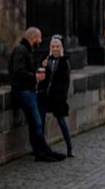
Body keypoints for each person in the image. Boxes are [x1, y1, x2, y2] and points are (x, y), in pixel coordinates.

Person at [8, 27, 65, 162]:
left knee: (35, 123)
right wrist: (35, 77)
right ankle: (44, 153)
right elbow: (18, 71)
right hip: (23, 92)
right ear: (33, 37)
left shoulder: (25, 50)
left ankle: (41, 152)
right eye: (39, 38)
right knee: (37, 123)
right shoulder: (21, 50)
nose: (40, 41)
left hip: (28, 91)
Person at [38, 35, 74, 157]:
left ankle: (70, 148)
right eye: (53, 46)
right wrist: (43, 66)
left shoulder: (64, 61)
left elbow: (66, 82)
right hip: (44, 95)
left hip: (58, 97)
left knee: (61, 122)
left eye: (57, 46)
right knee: (41, 121)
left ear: (61, 47)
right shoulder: (45, 58)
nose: (55, 49)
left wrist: (62, 96)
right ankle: (41, 147)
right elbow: (40, 76)